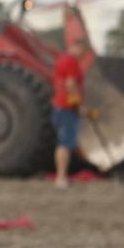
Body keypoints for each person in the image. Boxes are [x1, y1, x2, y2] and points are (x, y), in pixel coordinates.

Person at [51, 34, 92, 187]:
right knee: (65, 142)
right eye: (84, 52)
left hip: (61, 106)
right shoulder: (71, 61)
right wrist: (79, 105)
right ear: (77, 47)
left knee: (65, 141)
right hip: (66, 108)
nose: (83, 56)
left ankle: (62, 176)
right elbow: (71, 84)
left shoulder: (63, 59)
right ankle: (61, 178)